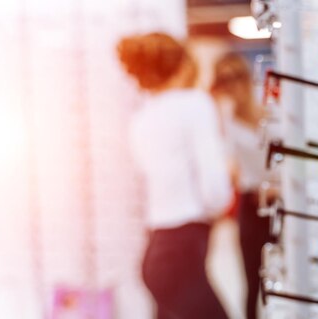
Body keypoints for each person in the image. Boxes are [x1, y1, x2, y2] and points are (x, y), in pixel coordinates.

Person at [117, 32, 232, 319]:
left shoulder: (141, 118)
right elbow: (215, 189)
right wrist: (219, 205)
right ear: (182, 64)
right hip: (182, 249)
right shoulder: (195, 104)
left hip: (158, 249)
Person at [210, 53, 271, 319]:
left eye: (234, 77)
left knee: (285, 270)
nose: (231, 85)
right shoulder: (225, 115)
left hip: (279, 199)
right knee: (251, 276)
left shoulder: (267, 104)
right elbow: (229, 163)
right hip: (250, 200)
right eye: (224, 80)